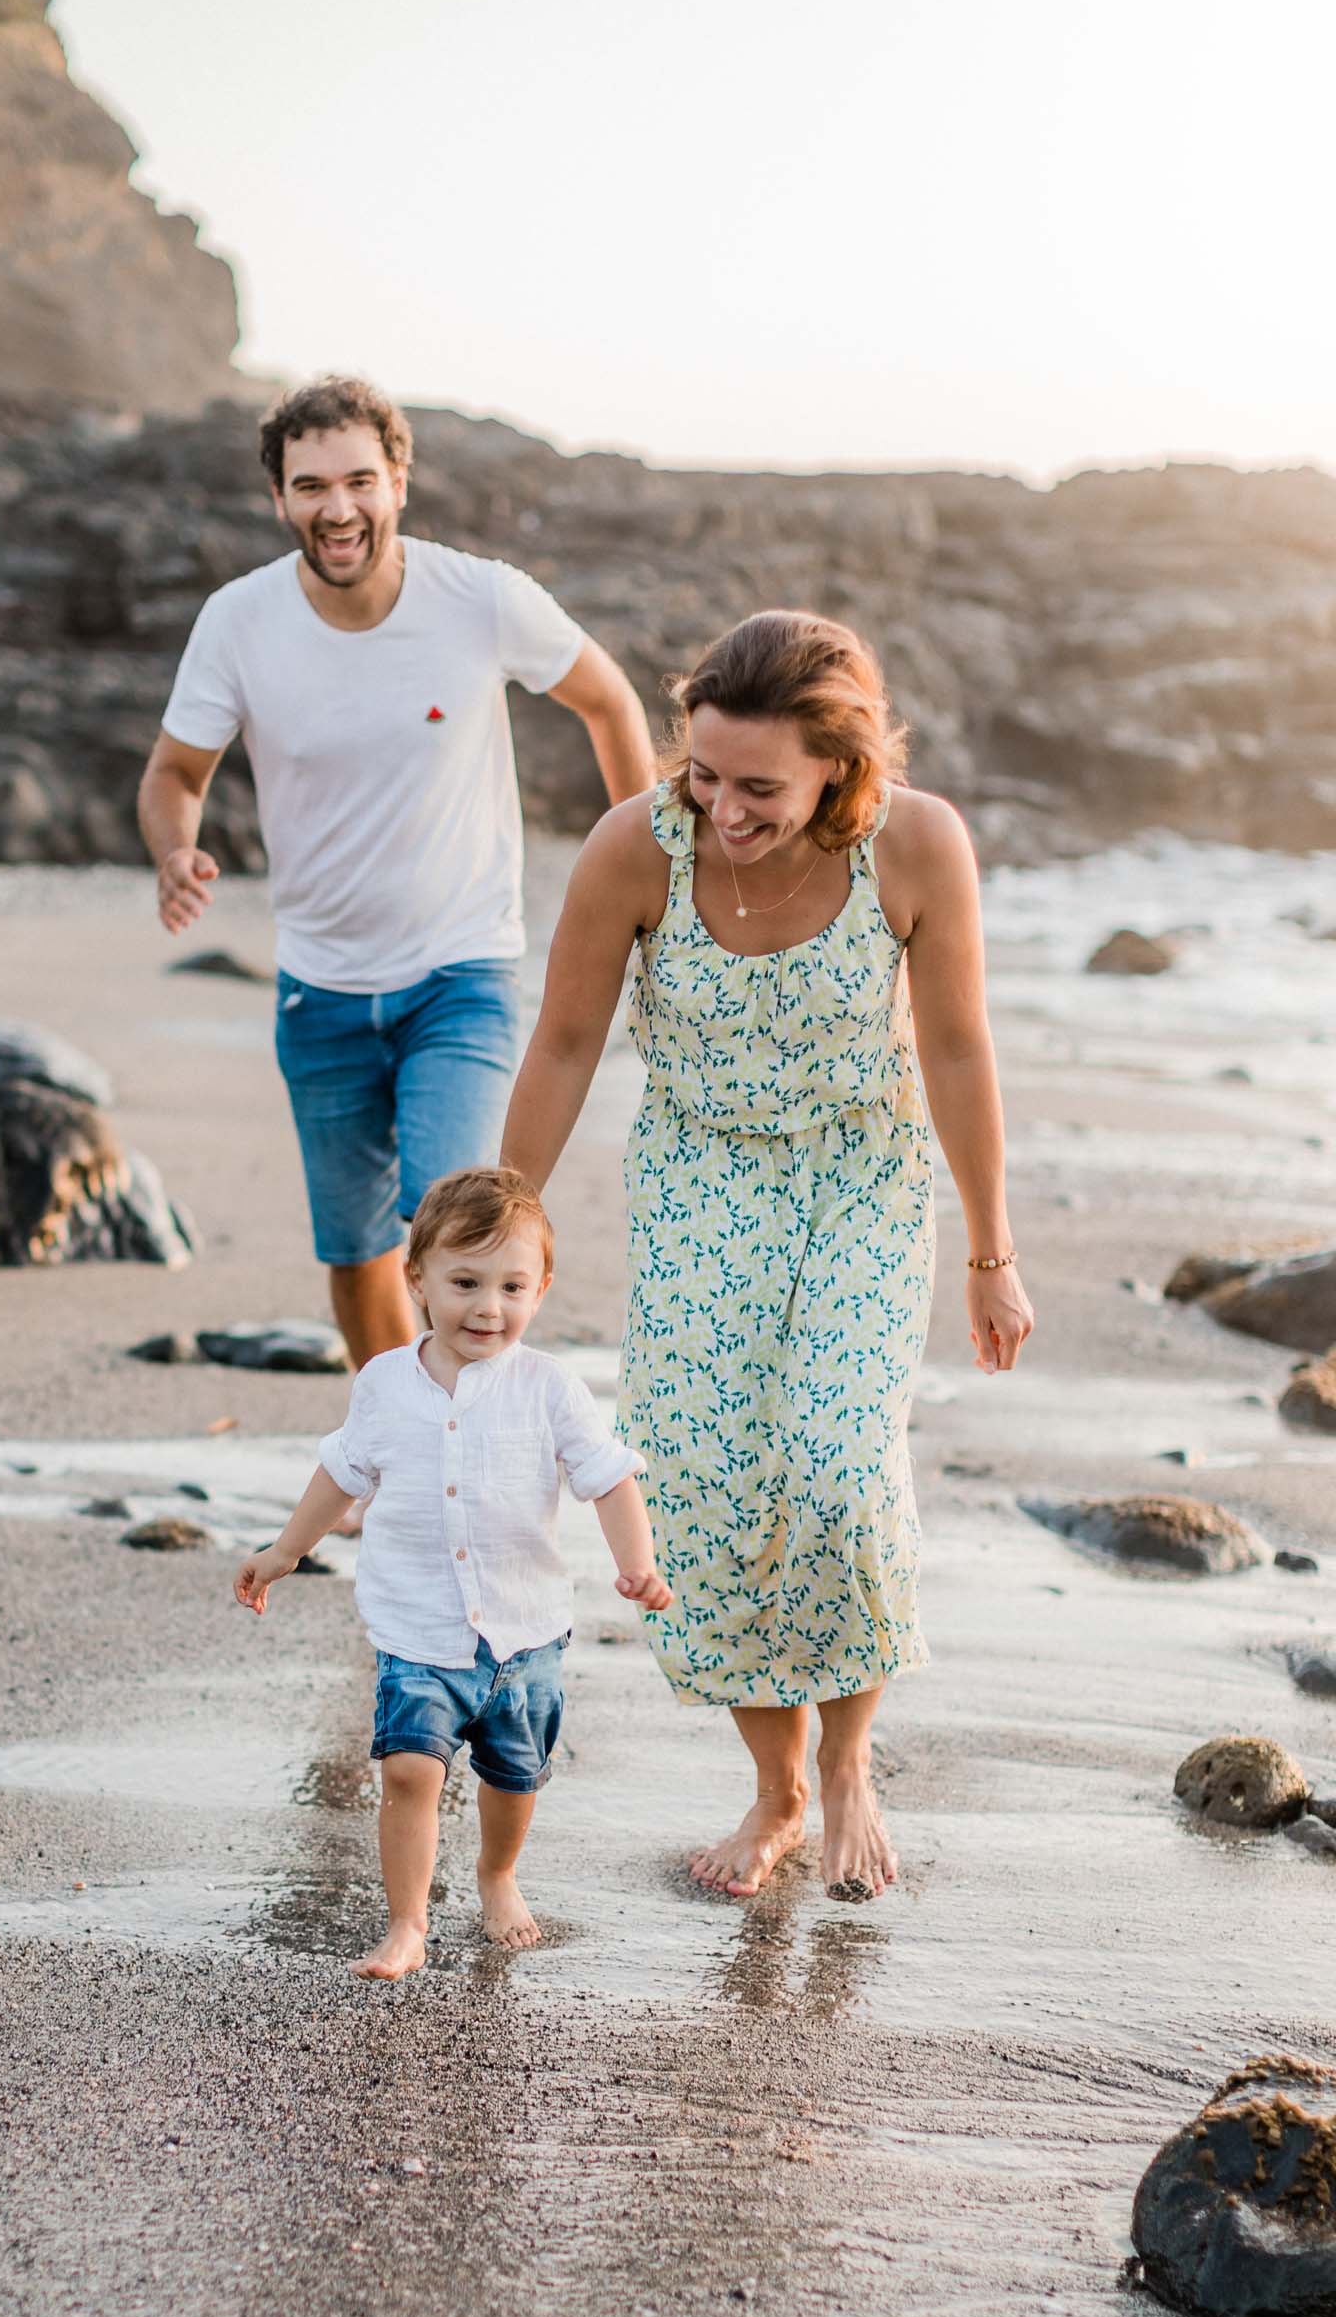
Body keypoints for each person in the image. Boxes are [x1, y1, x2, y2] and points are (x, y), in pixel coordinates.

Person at [501, 610, 1034, 1905]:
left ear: (839, 772)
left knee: (836, 1470)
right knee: (712, 1492)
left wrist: (990, 1251)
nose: (723, 813)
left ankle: (849, 1765)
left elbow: (957, 1048)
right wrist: (505, 1215)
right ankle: (775, 1787)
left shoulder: (916, 846)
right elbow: (567, 1042)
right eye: (703, 775)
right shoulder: (637, 853)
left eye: (760, 789)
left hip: (862, 1176)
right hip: (698, 1181)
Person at [139, 375, 656, 1381]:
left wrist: (647, 864)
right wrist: (174, 849)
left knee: (457, 1228)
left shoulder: (481, 599)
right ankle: (405, 1442)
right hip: (318, 990)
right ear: (278, 499)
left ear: (399, 482)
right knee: (355, 1252)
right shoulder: (238, 622)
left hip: (460, 978)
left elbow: (609, 705)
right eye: (310, 485)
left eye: (358, 480)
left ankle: (476, 1435)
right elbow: (175, 773)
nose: (337, 508)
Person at [233, 1166, 671, 1980]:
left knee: (513, 1778)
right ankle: (407, 1924)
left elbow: (609, 1478)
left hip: (525, 1630)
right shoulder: (385, 1384)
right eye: (465, 1282)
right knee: (407, 1770)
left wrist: (636, 1565)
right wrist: (286, 1550)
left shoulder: (550, 1389)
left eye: (512, 1286)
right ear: (417, 1280)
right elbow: (342, 1474)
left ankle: (497, 1875)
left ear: (541, 1288)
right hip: (418, 1627)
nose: (488, 1307)